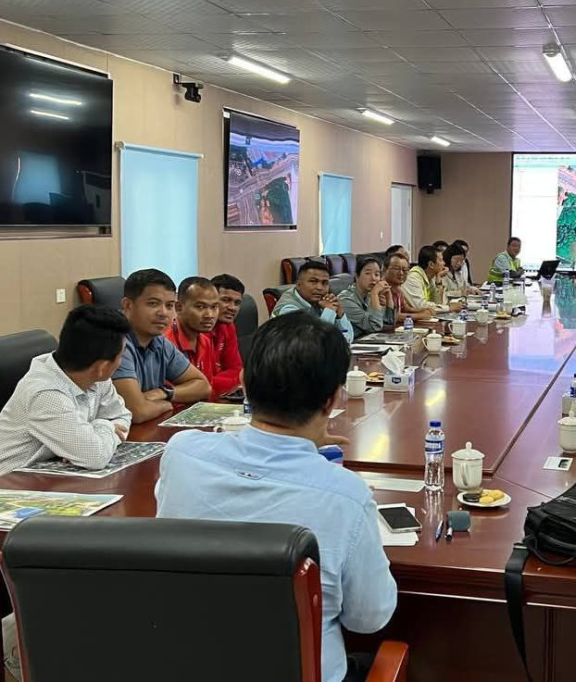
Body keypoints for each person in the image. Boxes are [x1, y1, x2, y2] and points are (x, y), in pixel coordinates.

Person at [156, 312, 397, 682]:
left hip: (187, 664)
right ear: (333, 400)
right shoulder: (346, 495)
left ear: (243, 384)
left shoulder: (182, 453)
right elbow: (369, 618)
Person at [0, 305, 133, 483]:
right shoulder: (45, 392)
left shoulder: (97, 378)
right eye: (121, 356)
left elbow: (122, 417)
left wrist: (86, 441)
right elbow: (95, 456)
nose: (120, 362)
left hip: (54, 480)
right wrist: (103, 427)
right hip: (7, 489)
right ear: (102, 367)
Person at [114, 269, 211, 423]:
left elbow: (203, 386)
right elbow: (137, 411)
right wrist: (167, 405)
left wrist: (164, 393)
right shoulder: (115, 341)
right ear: (128, 305)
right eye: (153, 304)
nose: (163, 313)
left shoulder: (160, 341)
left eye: (169, 305)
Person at [165, 277, 239, 400]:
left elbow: (208, 389)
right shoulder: (165, 343)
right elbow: (165, 397)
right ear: (179, 308)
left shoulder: (205, 340)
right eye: (200, 307)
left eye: (214, 307)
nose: (209, 315)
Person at [272, 260, 354, 344]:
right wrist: (329, 311)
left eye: (324, 283)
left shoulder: (322, 301)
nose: (319, 288)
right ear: (299, 285)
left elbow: (348, 339)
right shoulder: (288, 309)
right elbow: (313, 342)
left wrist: (340, 315)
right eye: (313, 281)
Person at [339, 257, 396, 338]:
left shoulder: (368, 296)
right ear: (357, 276)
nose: (373, 278)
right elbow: (374, 327)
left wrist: (389, 297)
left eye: (377, 274)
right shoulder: (345, 300)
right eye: (368, 273)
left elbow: (388, 323)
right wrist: (374, 294)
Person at [210, 273, 245, 395]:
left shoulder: (228, 326)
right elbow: (202, 384)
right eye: (226, 300)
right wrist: (237, 381)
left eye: (237, 303)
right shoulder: (198, 329)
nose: (232, 308)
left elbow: (237, 369)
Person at [404, 246, 461, 313]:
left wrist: (438, 279)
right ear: (431, 264)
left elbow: (438, 302)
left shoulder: (431, 277)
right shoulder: (413, 278)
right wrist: (448, 308)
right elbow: (420, 305)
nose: (444, 263)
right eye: (441, 260)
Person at [384, 253, 432, 320]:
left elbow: (406, 309)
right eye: (397, 269)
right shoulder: (382, 289)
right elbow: (393, 316)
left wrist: (426, 310)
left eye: (405, 270)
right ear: (384, 269)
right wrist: (421, 315)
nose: (401, 273)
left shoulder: (398, 289)